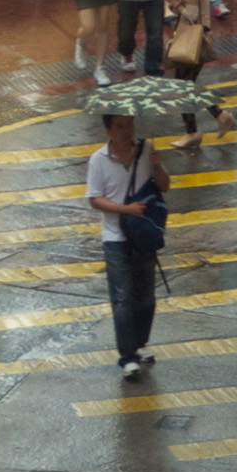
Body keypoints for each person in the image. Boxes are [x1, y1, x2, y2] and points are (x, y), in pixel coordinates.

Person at [88, 109, 167, 377]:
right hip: (115, 238)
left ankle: (140, 343)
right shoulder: (98, 160)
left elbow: (165, 186)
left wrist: (156, 166)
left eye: (129, 125)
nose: (126, 131)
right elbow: (95, 199)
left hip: (143, 235)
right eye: (120, 126)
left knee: (146, 298)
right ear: (109, 130)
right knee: (122, 299)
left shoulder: (147, 150)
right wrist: (127, 210)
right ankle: (127, 357)